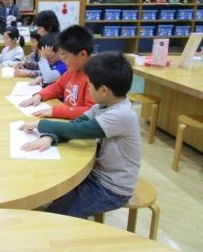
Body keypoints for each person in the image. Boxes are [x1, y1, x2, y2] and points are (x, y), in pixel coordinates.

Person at [19, 52, 141, 219]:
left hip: (111, 187)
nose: (88, 89)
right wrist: (50, 137)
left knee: (55, 215)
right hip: (94, 174)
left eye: (89, 85)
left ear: (104, 90)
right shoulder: (103, 105)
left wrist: (42, 125)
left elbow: (80, 131)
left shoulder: (121, 114)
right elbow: (77, 125)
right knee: (55, 188)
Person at [20, 25, 95, 119]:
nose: (62, 60)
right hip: (68, 120)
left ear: (82, 55)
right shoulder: (72, 70)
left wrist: (55, 111)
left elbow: (90, 112)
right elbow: (57, 86)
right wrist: (39, 95)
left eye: (65, 56)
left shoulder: (94, 77)